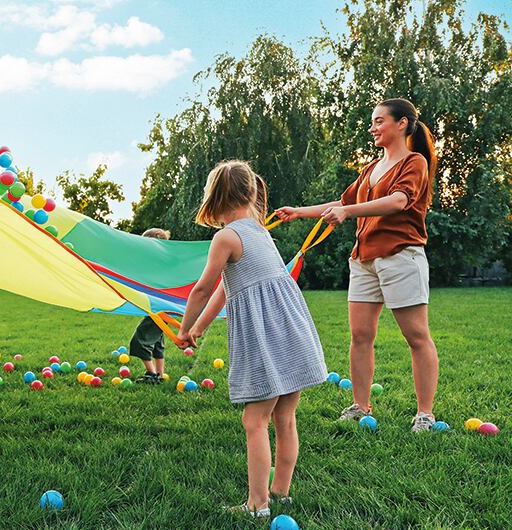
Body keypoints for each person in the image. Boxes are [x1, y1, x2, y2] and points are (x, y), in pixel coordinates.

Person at [275, 98, 439, 432]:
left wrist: (348, 213)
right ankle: (360, 405)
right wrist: (299, 211)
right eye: (373, 122)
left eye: (379, 121)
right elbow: (345, 202)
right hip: (363, 259)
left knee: (416, 336)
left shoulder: (414, 162)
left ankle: (424, 413)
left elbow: (398, 201)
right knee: (360, 336)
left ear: (402, 124)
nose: (373, 127)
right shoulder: (371, 168)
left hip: (400, 256)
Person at [179, 160, 327, 518]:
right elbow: (227, 289)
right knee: (285, 417)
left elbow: (201, 289)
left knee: (254, 421)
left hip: (266, 338)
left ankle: (257, 505)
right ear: (250, 193)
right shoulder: (260, 232)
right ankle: (281, 492)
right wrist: (200, 327)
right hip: (293, 333)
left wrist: (184, 328)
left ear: (213, 198)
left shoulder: (226, 237)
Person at [130, 228, 171, 384]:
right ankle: (160, 374)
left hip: (159, 309)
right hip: (162, 308)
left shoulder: (157, 265)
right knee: (157, 342)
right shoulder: (162, 264)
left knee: (140, 339)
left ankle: (152, 374)